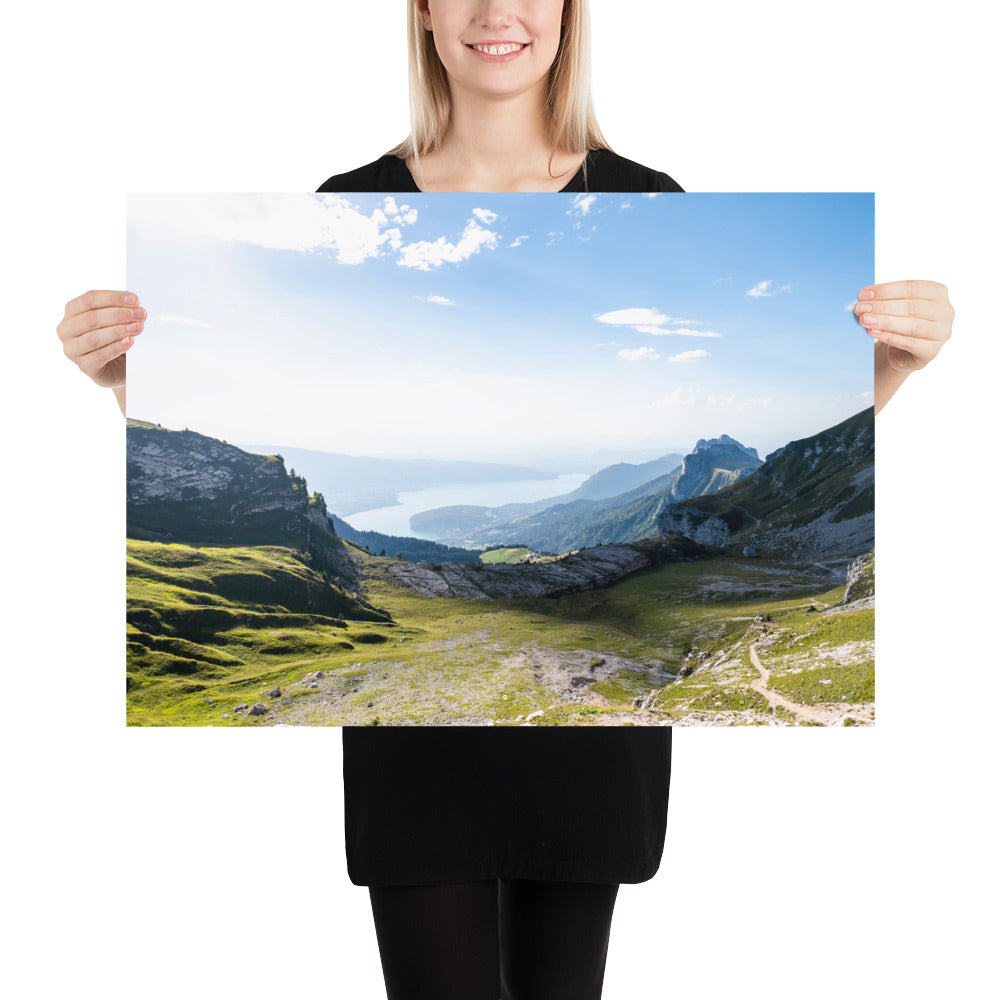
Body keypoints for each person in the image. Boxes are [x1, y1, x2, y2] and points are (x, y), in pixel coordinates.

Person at [55, 2, 954, 997]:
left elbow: (807, 458)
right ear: (425, 13)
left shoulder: (649, 197)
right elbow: (221, 405)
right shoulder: (346, 197)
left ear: (569, 14)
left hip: (590, 762)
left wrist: (890, 366)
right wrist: (122, 385)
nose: (496, 12)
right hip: (417, 766)